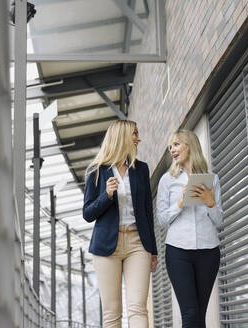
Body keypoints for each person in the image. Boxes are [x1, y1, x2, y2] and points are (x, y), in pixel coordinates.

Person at [83, 120, 158, 328]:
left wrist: (153, 250)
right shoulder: (96, 171)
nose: (138, 138)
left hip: (137, 243)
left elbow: (147, 211)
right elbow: (87, 214)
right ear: (122, 137)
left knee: (138, 308)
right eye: (135, 134)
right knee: (112, 314)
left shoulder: (141, 169)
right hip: (106, 246)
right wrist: (106, 195)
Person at [156, 129, 223, 328]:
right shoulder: (167, 180)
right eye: (170, 147)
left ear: (189, 145)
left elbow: (219, 219)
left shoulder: (212, 179)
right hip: (178, 251)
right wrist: (180, 202)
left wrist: (211, 202)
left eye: (176, 144)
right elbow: (161, 219)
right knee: (190, 312)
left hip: (209, 250)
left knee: (200, 314)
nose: (172, 150)